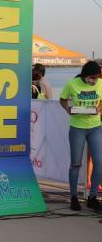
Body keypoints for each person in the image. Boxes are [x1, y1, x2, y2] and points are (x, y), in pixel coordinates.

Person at [59, 60, 102, 212]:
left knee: (99, 162)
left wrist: (99, 108)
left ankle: (92, 197)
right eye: (90, 78)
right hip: (77, 127)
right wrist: (68, 109)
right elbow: (62, 100)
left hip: (95, 127)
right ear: (84, 76)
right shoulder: (72, 84)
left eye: (95, 78)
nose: (93, 81)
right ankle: (73, 197)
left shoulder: (100, 84)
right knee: (76, 164)